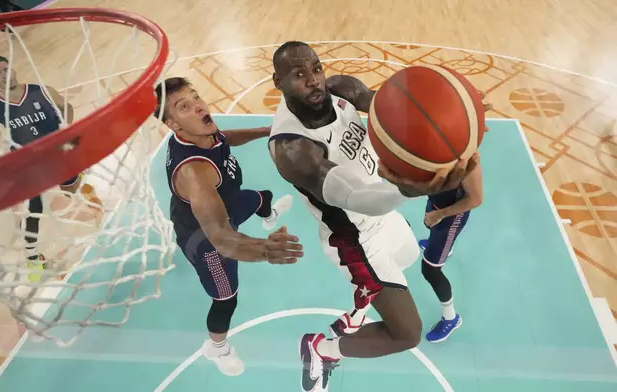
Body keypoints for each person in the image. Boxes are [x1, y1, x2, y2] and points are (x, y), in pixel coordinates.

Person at [267, 41, 483, 392]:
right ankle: (321, 350)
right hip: (354, 239)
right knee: (407, 333)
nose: (313, 80)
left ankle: (363, 299)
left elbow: (395, 110)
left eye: (316, 68)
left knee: (410, 255)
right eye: (299, 74)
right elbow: (357, 198)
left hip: (384, 215)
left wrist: (460, 112)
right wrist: (412, 189)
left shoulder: (342, 89)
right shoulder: (293, 149)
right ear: (278, 82)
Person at [155, 77, 302, 377]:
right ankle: (217, 348)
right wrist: (265, 250)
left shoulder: (200, 133)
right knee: (225, 299)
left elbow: (225, 137)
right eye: (185, 106)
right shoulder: (194, 173)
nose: (198, 106)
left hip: (227, 202)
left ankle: (268, 214)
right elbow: (221, 237)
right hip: (207, 240)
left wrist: (267, 132)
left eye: (195, 97)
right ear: (172, 124)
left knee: (263, 198)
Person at [0, 55, 84, 283]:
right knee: (33, 209)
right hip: (28, 164)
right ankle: (33, 256)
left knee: (71, 188)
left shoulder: (43, 91)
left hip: (57, 154)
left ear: (13, 68)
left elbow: (67, 106)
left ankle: (75, 183)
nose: (5, 75)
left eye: (6, 69)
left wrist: (66, 129)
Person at [418, 163, 483, 343]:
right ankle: (443, 247)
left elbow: (476, 199)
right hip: (436, 202)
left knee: (430, 270)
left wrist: (441, 215)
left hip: (451, 216)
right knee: (430, 226)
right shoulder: (434, 147)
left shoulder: (469, 160)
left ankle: (450, 318)